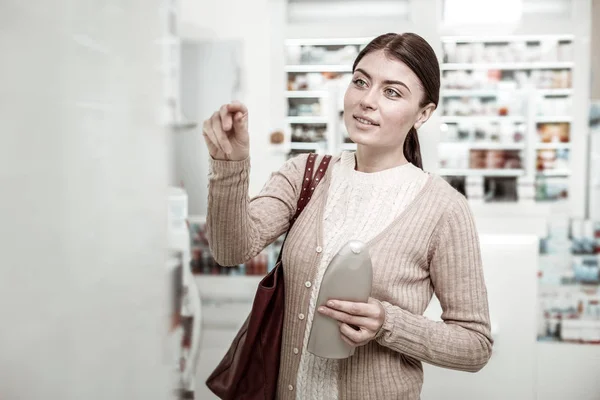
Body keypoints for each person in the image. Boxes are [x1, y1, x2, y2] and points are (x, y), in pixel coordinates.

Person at [202, 32, 493, 400]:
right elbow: (230, 250)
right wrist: (230, 165)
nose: (366, 101)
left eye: (392, 92)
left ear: (423, 114)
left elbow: (475, 345)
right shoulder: (305, 174)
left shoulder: (443, 208)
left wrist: (388, 323)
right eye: (360, 81)